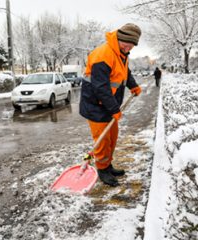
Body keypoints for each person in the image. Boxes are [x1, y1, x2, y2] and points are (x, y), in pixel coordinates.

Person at [79, 23, 142, 187]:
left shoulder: (122, 53)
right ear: (119, 38)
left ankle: (108, 165)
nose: (128, 47)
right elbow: (100, 87)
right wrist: (114, 109)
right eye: (126, 43)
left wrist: (133, 86)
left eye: (132, 45)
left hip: (108, 105)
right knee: (102, 141)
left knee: (112, 138)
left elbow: (125, 73)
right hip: (95, 106)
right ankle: (102, 170)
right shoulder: (103, 54)